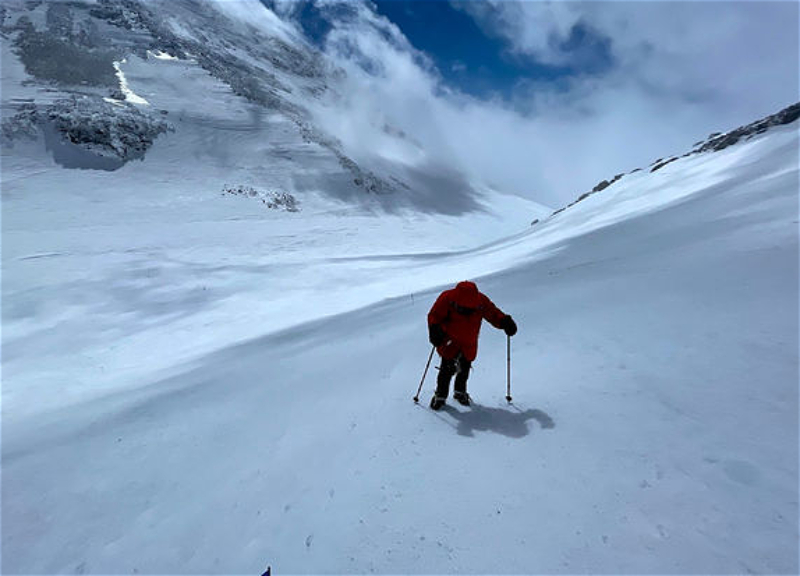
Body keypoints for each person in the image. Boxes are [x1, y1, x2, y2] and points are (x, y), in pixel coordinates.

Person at [427, 281, 517, 410]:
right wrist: (434, 330)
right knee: (446, 370)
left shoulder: (481, 301)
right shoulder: (446, 298)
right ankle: (440, 396)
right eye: (463, 309)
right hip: (449, 341)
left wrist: (504, 321)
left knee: (464, 369)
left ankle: (460, 392)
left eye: (470, 309)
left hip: (469, 342)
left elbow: (492, 313)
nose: (467, 311)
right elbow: (434, 316)